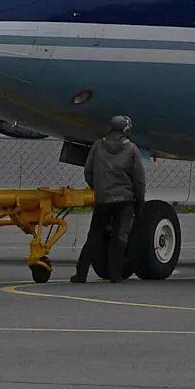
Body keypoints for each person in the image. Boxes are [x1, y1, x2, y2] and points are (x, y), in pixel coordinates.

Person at [71, 115, 146, 284]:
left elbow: (88, 172)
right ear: (126, 130)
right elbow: (139, 179)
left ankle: (81, 273)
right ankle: (115, 274)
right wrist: (140, 200)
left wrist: (98, 188)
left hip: (103, 198)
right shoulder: (132, 149)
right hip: (125, 200)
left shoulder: (97, 146)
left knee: (94, 235)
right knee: (120, 235)